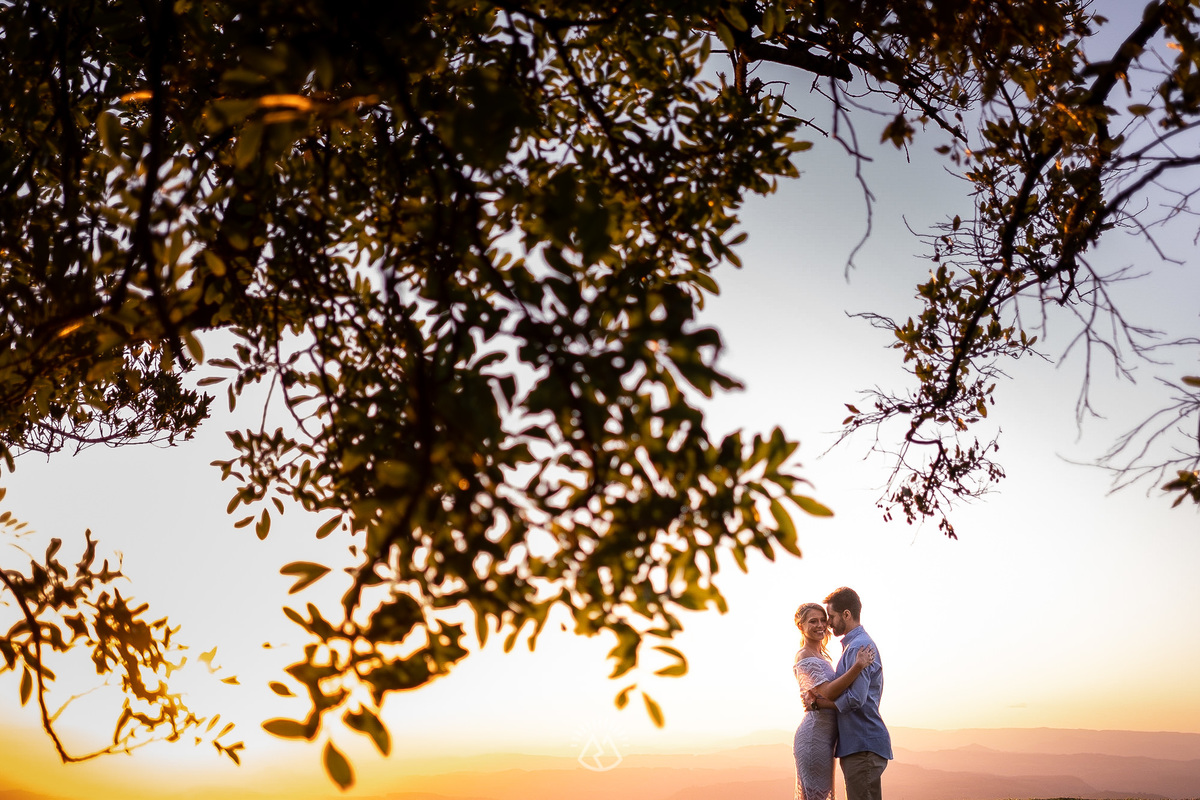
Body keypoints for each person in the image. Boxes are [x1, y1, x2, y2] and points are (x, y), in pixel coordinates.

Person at [809, 587, 892, 800]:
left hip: (862, 744)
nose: (828, 623)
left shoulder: (858, 647)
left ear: (847, 614)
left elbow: (856, 699)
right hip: (858, 743)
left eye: (832, 617)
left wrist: (819, 703)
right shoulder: (854, 646)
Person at [792, 602, 874, 800]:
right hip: (814, 737)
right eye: (813, 621)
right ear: (800, 625)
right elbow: (828, 692)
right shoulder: (804, 657)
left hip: (827, 738)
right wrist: (858, 666)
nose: (820, 625)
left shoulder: (820, 656)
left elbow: (826, 696)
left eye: (823, 620)